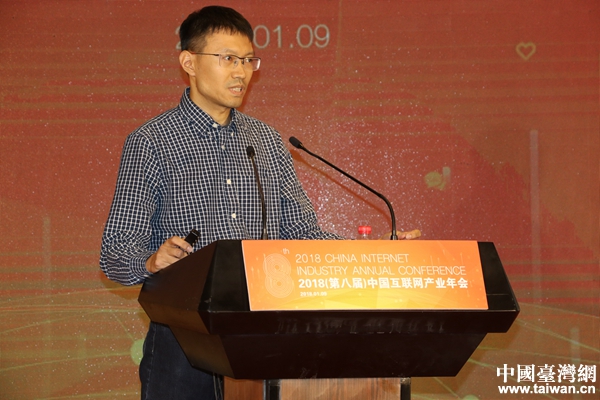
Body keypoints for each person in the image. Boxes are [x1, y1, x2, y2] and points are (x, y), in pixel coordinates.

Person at [99, 5, 344, 400]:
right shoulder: (152, 142)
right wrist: (152, 261)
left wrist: (374, 254)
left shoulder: (266, 142)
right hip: (182, 343)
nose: (241, 72)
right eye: (228, 59)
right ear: (188, 62)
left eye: (248, 61)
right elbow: (115, 251)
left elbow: (302, 234)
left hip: (260, 336)